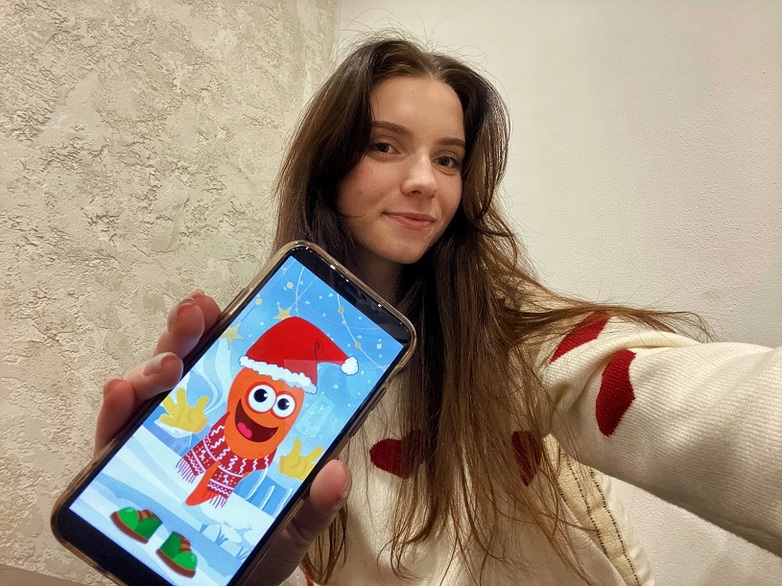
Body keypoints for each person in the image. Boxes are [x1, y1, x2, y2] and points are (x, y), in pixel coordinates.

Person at [95, 36, 782, 585]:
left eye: (449, 159)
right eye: (385, 145)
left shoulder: (505, 332)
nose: (425, 181)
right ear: (329, 165)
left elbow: (658, 392)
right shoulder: (267, 346)